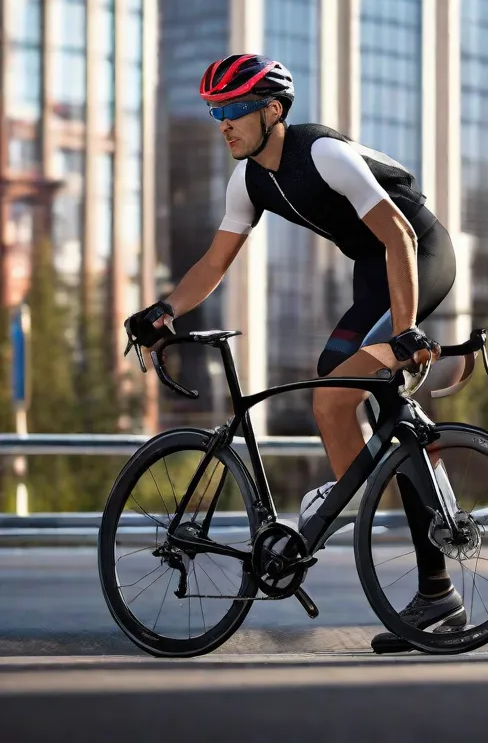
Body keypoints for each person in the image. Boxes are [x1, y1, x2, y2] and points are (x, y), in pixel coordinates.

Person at [125, 54, 464, 654]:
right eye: (214, 113)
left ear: (273, 110)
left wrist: (405, 331)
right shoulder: (248, 180)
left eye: (232, 110)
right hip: (371, 272)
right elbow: (213, 263)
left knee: (343, 392)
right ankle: (412, 551)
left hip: (417, 256)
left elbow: (402, 235)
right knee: (331, 399)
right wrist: (165, 310)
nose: (222, 124)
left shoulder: (323, 155)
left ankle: (387, 470)